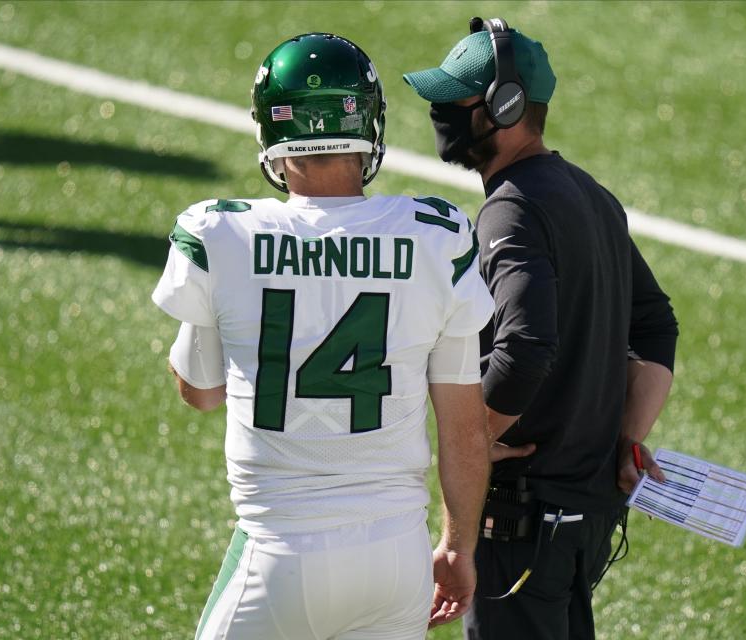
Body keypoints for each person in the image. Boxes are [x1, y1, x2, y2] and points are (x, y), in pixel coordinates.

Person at [152, 33, 495, 639]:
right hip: (397, 555)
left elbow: (199, 392)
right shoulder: (436, 235)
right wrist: (458, 547)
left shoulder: (219, 234)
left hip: (280, 548)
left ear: (271, 133)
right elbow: (465, 430)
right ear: (368, 127)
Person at [403, 17, 679, 640]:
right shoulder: (592, 195)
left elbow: (526, 346)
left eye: (456, 97)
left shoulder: (512, 208)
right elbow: (656, 325)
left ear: (505, 105)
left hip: (528, 523)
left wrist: (473, 438)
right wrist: (627, 435)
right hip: (580, 516)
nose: (441, 109)